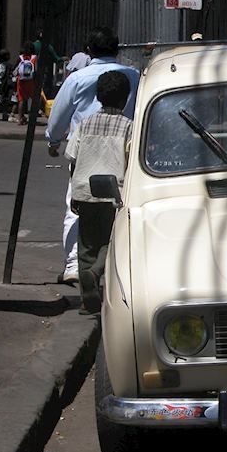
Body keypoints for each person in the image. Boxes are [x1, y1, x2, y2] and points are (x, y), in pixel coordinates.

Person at [45, 26, 138, 285]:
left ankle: (75, 265)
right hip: (123, 152)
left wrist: (53, 142)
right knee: (119, 211)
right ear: (117, 50)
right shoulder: (134, 76)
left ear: (88, 51)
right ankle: (110, 265)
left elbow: (59, 115)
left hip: (85, 153)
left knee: (76, 210)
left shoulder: (77, 78)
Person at [64, 71, 132, 314]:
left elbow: (73, 159)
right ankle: (97, 271)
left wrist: (75, 190)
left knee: (86, 246)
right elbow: (129, 159)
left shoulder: (85, 123)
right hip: (115, 194)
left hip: (85, 190)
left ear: (98, 97)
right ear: (126, 99)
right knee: (111, 240)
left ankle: (88, 301)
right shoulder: (129, 127)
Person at [13, 42, 38, 125]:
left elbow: (15, 68)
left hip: (21, 81)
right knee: (31, 99)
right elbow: (36, 70)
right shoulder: (34, 58)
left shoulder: (20, 57)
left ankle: (20, 119)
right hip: (30, 81)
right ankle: (32, 118)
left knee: (21, 100)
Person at [0, 49, 14, 121]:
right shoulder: (8, 65)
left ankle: (4, 115)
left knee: (3, 100)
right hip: (4, 85)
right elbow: (9, 75)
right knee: (0, 100)